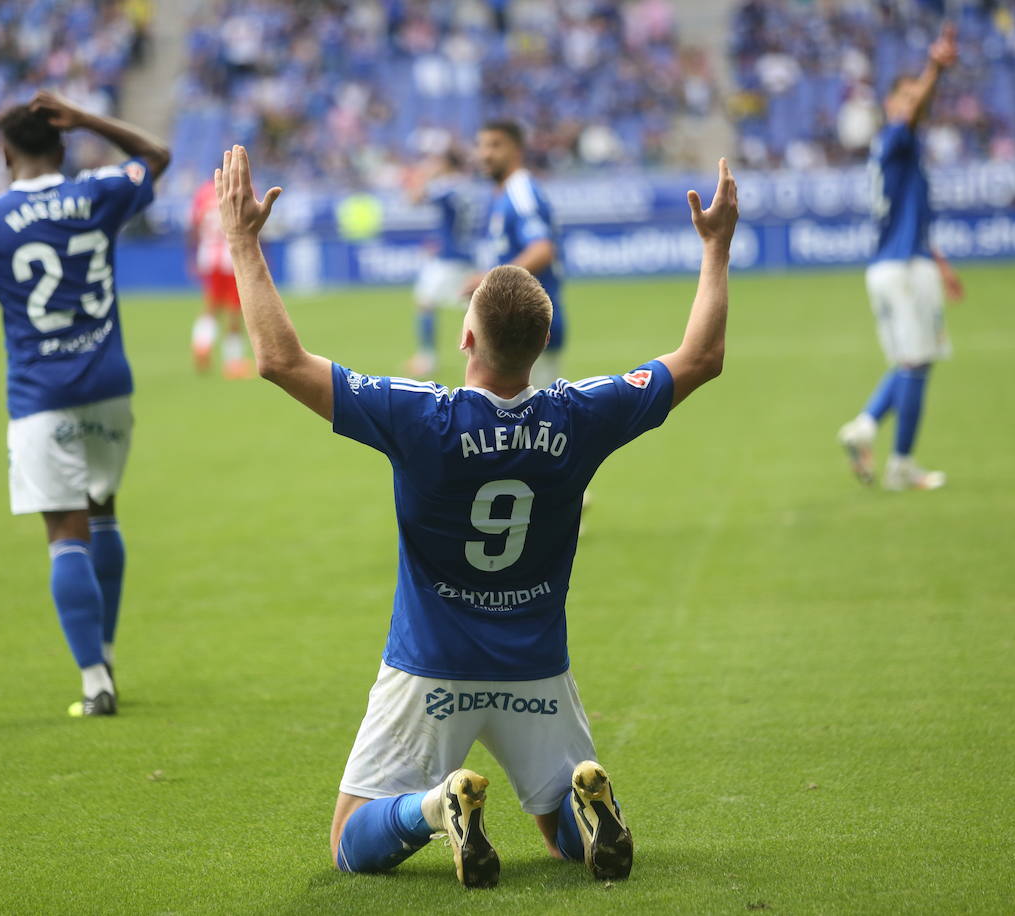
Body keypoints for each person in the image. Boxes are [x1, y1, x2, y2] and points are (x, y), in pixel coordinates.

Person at [213, 144, 738, 887]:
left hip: (430, 670)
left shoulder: (418, 416)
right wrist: (716, 249)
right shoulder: (580, 414)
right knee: (561, 838)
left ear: (465, 337)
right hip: (535, 669)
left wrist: (240, 240)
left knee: (348, 843)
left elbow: (278, 359)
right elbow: (702, 355)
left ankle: (434, 809)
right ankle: (580, 806)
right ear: (539, 344)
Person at [0, 91, 170, 716]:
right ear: (63, 144)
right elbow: (156, 155)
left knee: (64, 530)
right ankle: (104, 649)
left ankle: (95, 681)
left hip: (41, 396)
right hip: (110, 385)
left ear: (3, 153)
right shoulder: (97, 192)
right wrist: (89, 116)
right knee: (102, 512)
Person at [837, 24, 965, 491]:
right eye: (909, 98)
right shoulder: (896, 135)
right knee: (916, 363)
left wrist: (943, 263)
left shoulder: (897, 149)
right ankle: (902, 466)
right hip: (905, 270)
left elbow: (911, 218)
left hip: (897, 265)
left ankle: (865, 427)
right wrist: (935, 67)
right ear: (893, 104)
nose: (917, 105)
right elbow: (913, 113)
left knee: (914, 360)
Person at [466, 120, 567, 390]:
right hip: (508, 332)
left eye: (495, 145)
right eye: (482, 146)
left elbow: (542, 250)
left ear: (517, 150)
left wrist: (488, 280)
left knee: (529, 427)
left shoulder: (520, 191)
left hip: (527, 332)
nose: (485, 154)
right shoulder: (501, 194)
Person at [405, 149, 476, 378]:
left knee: (425, 302)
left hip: (449, 258)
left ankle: (427, 359)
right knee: (474, 304)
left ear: (446, 163)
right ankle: (485, 350)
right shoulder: (466, 186)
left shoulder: (447, 186)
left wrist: (424, 174)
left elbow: (414, 198)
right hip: (464, 252)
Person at [188, 178, 256, 379]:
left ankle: (201, 345)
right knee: (235, 310)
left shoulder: (203, 192)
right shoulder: (242, 190)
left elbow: (193, 227)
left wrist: (191, 256)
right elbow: (252, 225)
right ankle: (233, 363)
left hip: (207, 256)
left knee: (211, 306)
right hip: (230, 258)